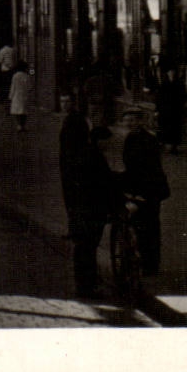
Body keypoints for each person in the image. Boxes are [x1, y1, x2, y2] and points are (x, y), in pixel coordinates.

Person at [68, 125, 121, 299]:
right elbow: (103, 184)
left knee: (84, 248)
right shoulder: (94, 157)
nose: (109, 144)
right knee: (88, 248)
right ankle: (86, 287)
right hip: (90, 211)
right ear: (100, 141)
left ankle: (85, 284)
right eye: (107, 141)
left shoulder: (87, 154)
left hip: (82, 209)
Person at [120, 110, 171, 275]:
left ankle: (150, 265)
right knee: (141, 226)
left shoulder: (148, 140)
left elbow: (150, 168)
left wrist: (139, 192)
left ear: (140, 122)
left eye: (132, 121)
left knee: (150, 228)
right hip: (139, 188)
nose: (129, 124)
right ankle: (141, 261)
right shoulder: (130, 138)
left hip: (150, 189)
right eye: (126, 121)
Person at [156, 64, 187, 152]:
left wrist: (181, 107)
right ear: (168, 73)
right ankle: (161, 142)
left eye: (173, 72)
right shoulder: (164, 83)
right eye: (170, 72)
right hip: (165, 109)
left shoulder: (179, 83)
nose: (171, 74)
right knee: (163, 126)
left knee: (175, 128)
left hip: (175, 109)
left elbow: (182, 96)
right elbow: (159, 97)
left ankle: (174, 146)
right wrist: (158, 109)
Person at [8, 60, 35, 132]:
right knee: (24, 111)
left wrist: (10, 96)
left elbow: (13, 86)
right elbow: (30, 86)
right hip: (24, 95)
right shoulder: (26, 76)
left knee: (17, 111)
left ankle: (19, 125)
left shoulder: (15, 76)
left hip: (16, 95)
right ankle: (23, 125)